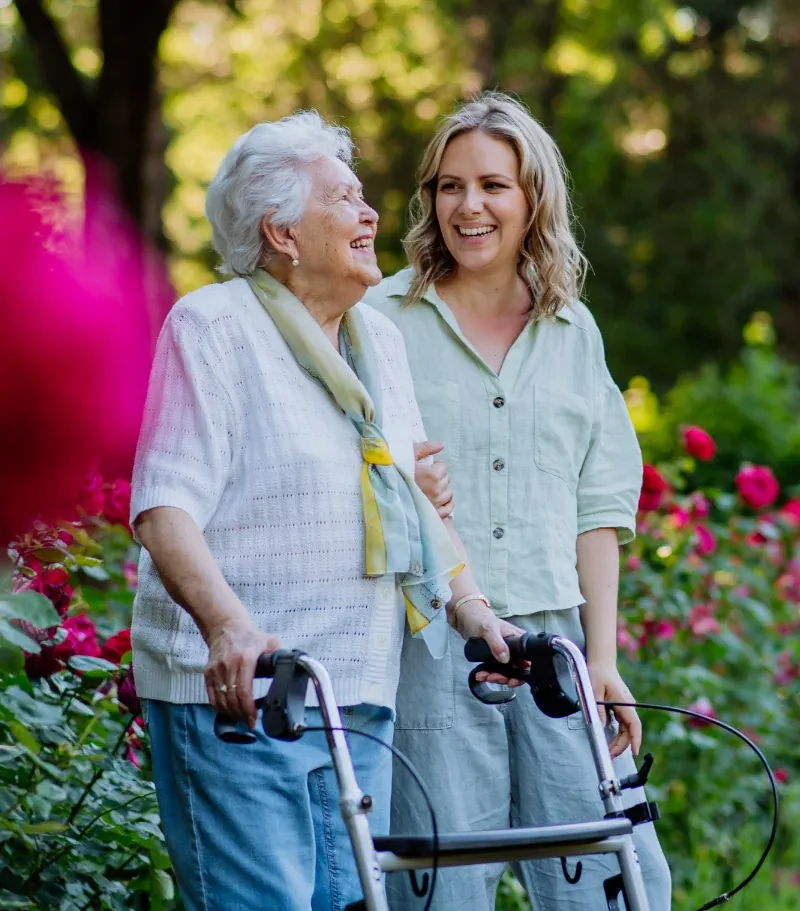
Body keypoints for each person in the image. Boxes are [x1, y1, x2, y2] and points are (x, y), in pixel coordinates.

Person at [130, 110, 519, 911]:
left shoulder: (378, 340)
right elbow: (164, 503)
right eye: (343, 198)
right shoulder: (214, 327)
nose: (371, 213)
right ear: (281, 232)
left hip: (356, 695)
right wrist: (228, 625)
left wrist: (476, 611)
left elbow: (408, 497)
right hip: (246, 696)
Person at [364, 92, 672, 911]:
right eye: (450, 186)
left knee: (616, 882)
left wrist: (601, 658)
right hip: (430, 648)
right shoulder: (378, 321)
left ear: (533, 196)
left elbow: (598, 503)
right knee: (440, 889)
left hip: (557, 649)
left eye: (494, 185)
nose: (470, 206)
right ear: (430, 198)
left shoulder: (574, 330)